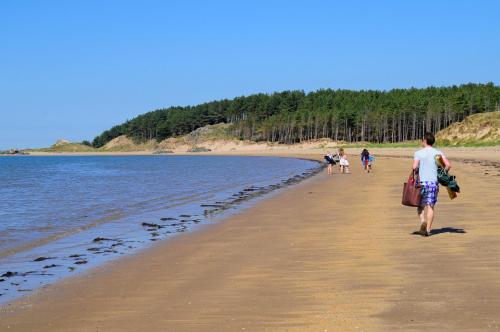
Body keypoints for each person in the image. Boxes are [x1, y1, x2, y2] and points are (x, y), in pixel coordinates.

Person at [412, 132, 451, 237]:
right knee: (430, 206)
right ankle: (428, 230)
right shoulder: (437, 153)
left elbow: (414, 167)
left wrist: (419, 169)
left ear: (424, 141)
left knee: (420, 205)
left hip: (421, 183)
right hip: (433, 183)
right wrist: (442, 173)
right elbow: (448, 165)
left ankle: (422, 222)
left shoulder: (418, 153)